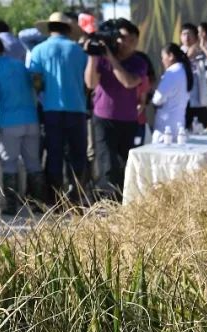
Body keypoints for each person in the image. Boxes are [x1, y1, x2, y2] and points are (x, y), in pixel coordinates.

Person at [0, 31, 42, 215]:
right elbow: (33, 92)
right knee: (33, 163)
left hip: (8, 122)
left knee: (9, 164)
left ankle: (11, 206)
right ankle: (39, 203)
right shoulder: (19, 65)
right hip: (30, 119)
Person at [28, 12, 88, 202]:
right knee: (77, 154)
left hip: (51, 109)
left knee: (54, 154)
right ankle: (76, 197)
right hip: (77, 109)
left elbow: (36, 82)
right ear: (68, 30)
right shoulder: (79, 51)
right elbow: (88, 83)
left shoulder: (38, 50)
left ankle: (54, 199)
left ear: (49, 29)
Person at [85, 18, 147, 198]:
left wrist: (110, 58)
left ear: (135, 40)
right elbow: (90, 83)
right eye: (117, 37)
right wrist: (92, 55)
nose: (119, 41)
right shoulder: (102, 58)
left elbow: (129, 82)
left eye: (124, 37)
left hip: (128, 120)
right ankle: (107, 205)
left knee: (125, 164)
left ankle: (123, 199)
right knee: (106, 164)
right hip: (103, 119)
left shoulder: (138, 62)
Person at [151, 44, 192, 138]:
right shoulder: (184, 70)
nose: (162, 61)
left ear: (171, 56)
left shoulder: (172, 72)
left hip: (166, 125)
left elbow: (157, 99)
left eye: (163, 57)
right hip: (179, 121)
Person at [179, 23, 207, 128]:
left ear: (196, 37)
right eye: (184, 34)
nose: (186, 37)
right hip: (183, 103)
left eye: (189, 34)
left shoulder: (202, 53)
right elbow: (177, 68)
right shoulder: (178, 54)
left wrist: (202, 49)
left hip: (200, 101)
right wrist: (188, 56)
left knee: (201, 131)